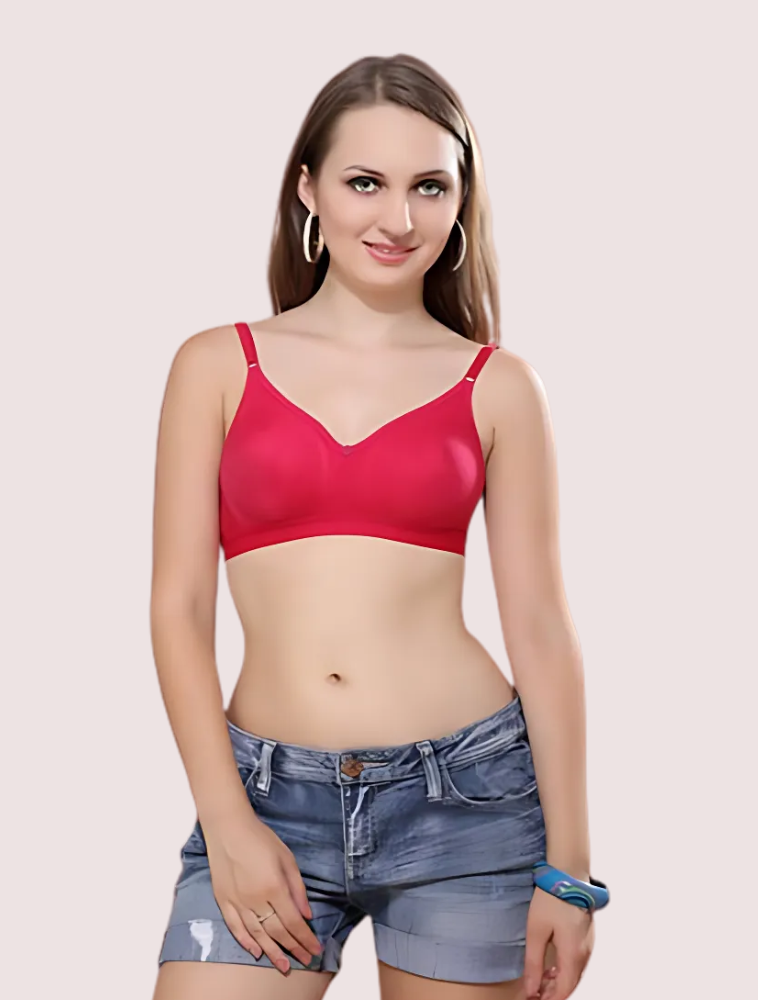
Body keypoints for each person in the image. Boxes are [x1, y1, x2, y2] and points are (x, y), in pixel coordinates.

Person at [150, 54, 596, 1000]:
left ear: (461, 202)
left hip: (467, 800)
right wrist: (225, 820)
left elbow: (541, 628)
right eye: (366, 182)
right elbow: (178, 607)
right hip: (265, 797)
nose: (398, 219)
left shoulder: (498, 386)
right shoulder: (216, 366)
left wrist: (571, 870)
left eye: (429, 186)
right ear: (308, 188)